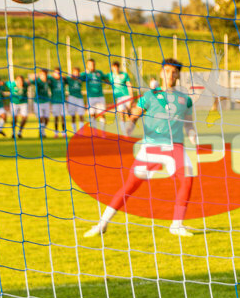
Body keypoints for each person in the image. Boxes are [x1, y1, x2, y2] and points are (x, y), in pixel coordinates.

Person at [84, 58, 197, 239]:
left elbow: (189, 125)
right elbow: (134, 116)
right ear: (161, 73)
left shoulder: (185, 99)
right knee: (130, 185)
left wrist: (192, 134)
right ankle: (102, 224)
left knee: (187, 179)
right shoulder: (149, 96)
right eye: (167, 71)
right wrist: (129, 125)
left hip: (175, 146)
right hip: (152, 146)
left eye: (174, 71)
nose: (171, 74)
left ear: (178, 75)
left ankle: (177, 225)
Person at [108, 61, 135, 135]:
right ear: (112, 68)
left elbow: (129, 84)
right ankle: (124, 132)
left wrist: (132, 95)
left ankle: (129, 129)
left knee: (128, 113)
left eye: (117, 67)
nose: (115, 69)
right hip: (119, 97)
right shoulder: (110, 75)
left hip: (127, 96)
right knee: (121, 113)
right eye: (114, 67)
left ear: (118, 67)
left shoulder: (124, 75)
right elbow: (103, 78)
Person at [81, 58, 108, 125]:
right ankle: (94, 132)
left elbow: (106, 79)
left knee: (101, 114)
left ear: (95, 64)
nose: (92, 66)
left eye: (93, 64)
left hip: (100, 96)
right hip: (91, 97)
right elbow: (77, 77)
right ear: (87, 65)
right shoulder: (85, 74)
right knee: (92, 115)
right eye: (90, 64)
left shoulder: (99, 73)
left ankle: (103, 133)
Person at [31, 68, 51, 137]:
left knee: (47, 119)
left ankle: (42, 130)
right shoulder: (38, 81)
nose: (43, 76)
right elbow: (32, 81)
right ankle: (42, 133)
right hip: (38, 102)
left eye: (45, 75)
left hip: (46, 101)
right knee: (41, 117)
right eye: (42, 75)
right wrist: (33, 79)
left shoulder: (48, 80)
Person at [49, 67, 67, 135]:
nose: (58, 74)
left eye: (59, 73)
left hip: (62, 101)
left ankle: (63, 132)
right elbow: (47, 77)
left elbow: (68, 78)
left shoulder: (63, 80)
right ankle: (56, 132)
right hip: (55, 101)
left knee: (63, 117)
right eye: (56, 73)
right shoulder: (51, 80)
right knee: (56, 117)